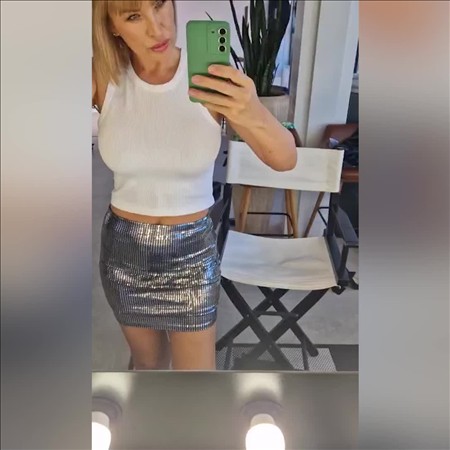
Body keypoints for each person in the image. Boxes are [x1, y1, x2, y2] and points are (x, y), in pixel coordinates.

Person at [92, 0, 297, 371]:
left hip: (192, 255)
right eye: (134, 16)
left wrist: (251, 109)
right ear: (112, 26)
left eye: (159, 5)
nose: (157, 27)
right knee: (148, 369)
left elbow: (284, 159)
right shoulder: (103, 75)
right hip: (124, 254)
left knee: (197, 381)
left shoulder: (209, 76)